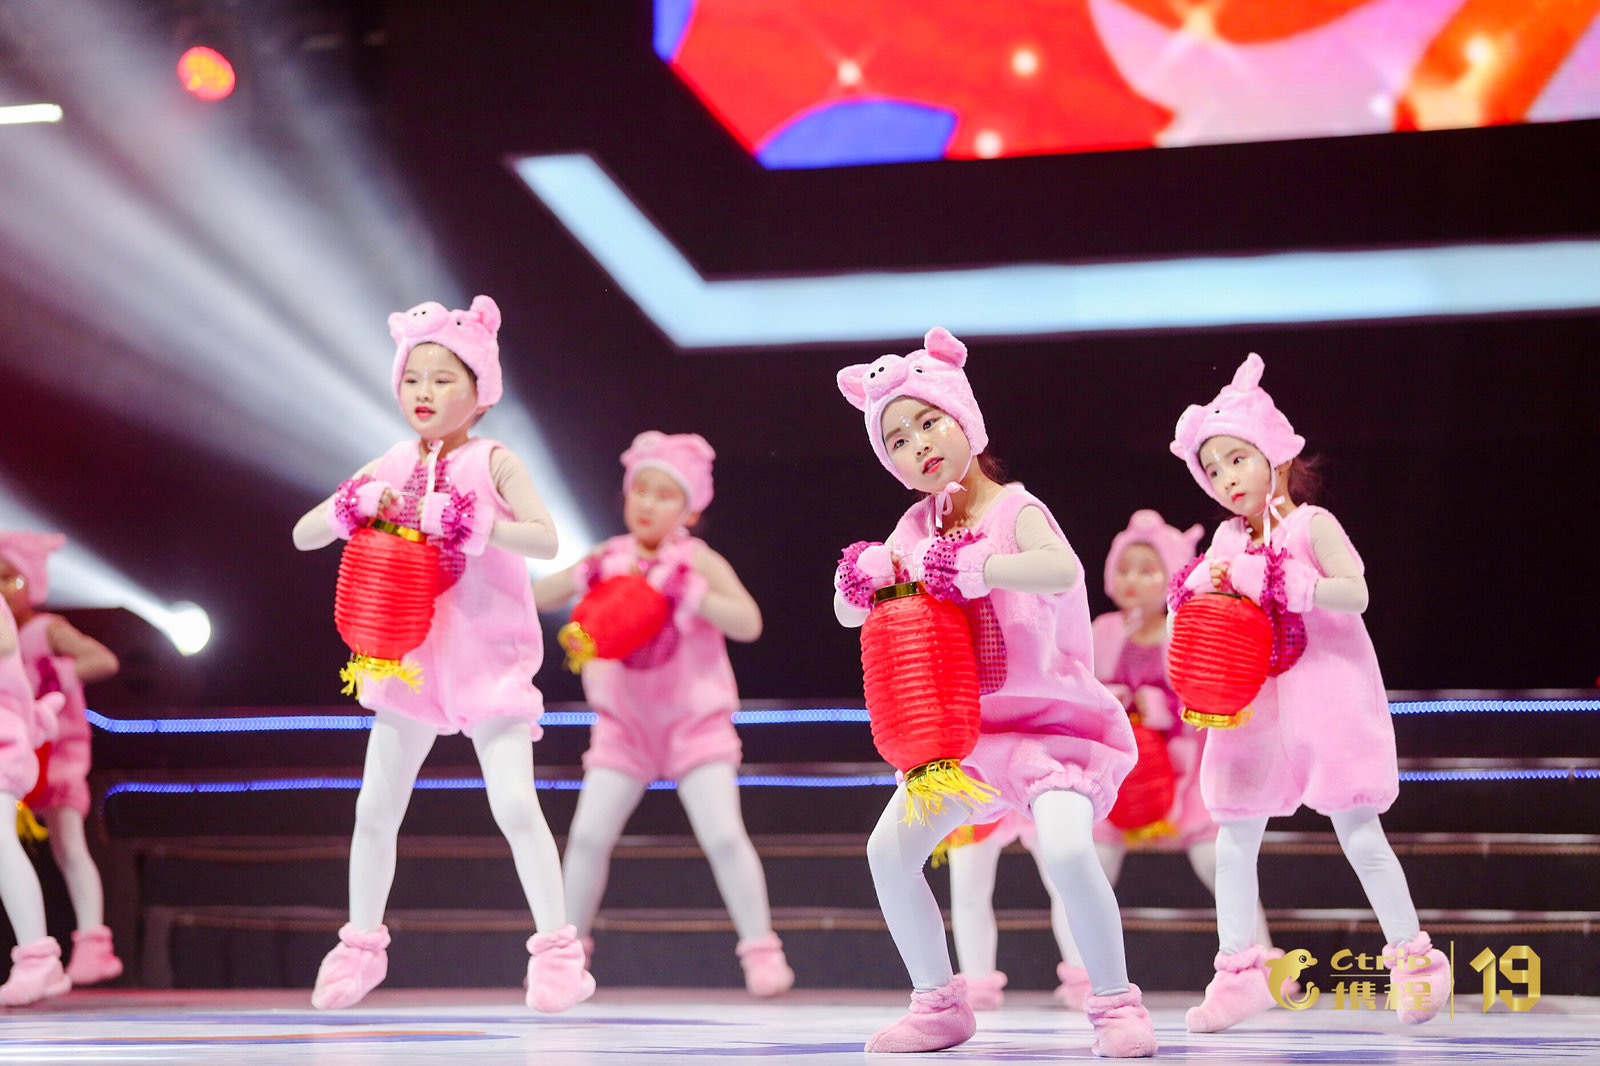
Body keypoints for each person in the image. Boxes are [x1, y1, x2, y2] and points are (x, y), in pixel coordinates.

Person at [832, 328, 1156, 1057]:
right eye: (897, 439)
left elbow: (1060, 571)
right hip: (966, 743)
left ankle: (1115, 1004)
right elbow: (853, 612)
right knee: (888, 852)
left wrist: (984, 569)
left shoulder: (1015, 509)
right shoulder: (915, 525)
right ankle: (939, 1002)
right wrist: (859, 582)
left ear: (964, 419)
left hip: (1052, 730)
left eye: (928, 421)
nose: (918, 443)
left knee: (1067, 850)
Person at [292, 295, 592, 1012]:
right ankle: (360, 948)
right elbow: (305, 534)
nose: (423, 392)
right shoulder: (393, 461)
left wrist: (467, 520)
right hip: (411, 663)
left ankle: (558, 957)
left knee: (514, 805)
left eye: (442, 378)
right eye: (412, 378)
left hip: (489, 662)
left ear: (479, 391)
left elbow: (546, 539)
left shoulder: (494, 460)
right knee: (375, 807)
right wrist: (351, 507)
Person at [1168, 352, 1449, 1032]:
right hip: (1254, 703)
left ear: (1276, 455)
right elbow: (1200, 619)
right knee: (1234, 833)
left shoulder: (1310, 525)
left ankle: (1417, 965)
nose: (1227, 478)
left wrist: (1298, 586)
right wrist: (1198, 592)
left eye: (1237, 459)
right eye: (1213, 469)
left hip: (1326, 691)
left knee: (1358, 829)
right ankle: (1239, 973)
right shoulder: (1226, 540)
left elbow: (1356, 592)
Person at [533, 431, 793, 996]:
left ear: (689, 509)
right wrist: (580, 575)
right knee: (587, 838)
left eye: (665, 494)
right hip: (624, 730)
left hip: (694, 728)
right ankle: (565, 960)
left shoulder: (696, 560)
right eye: (641, 490)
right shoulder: (608, 556)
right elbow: (539, 596)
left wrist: (693, 594)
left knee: (723, 836)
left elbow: (749, 623)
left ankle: (761, 952)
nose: (648, 503)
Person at [0, 532, 123, 986]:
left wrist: (54, 677)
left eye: (11, 578)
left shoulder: (44, 628)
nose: (4, 588)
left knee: (68, 842)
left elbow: (103, 659)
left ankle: (92, 942)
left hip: (58, 747)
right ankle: (41, 950)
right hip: (25, 739)